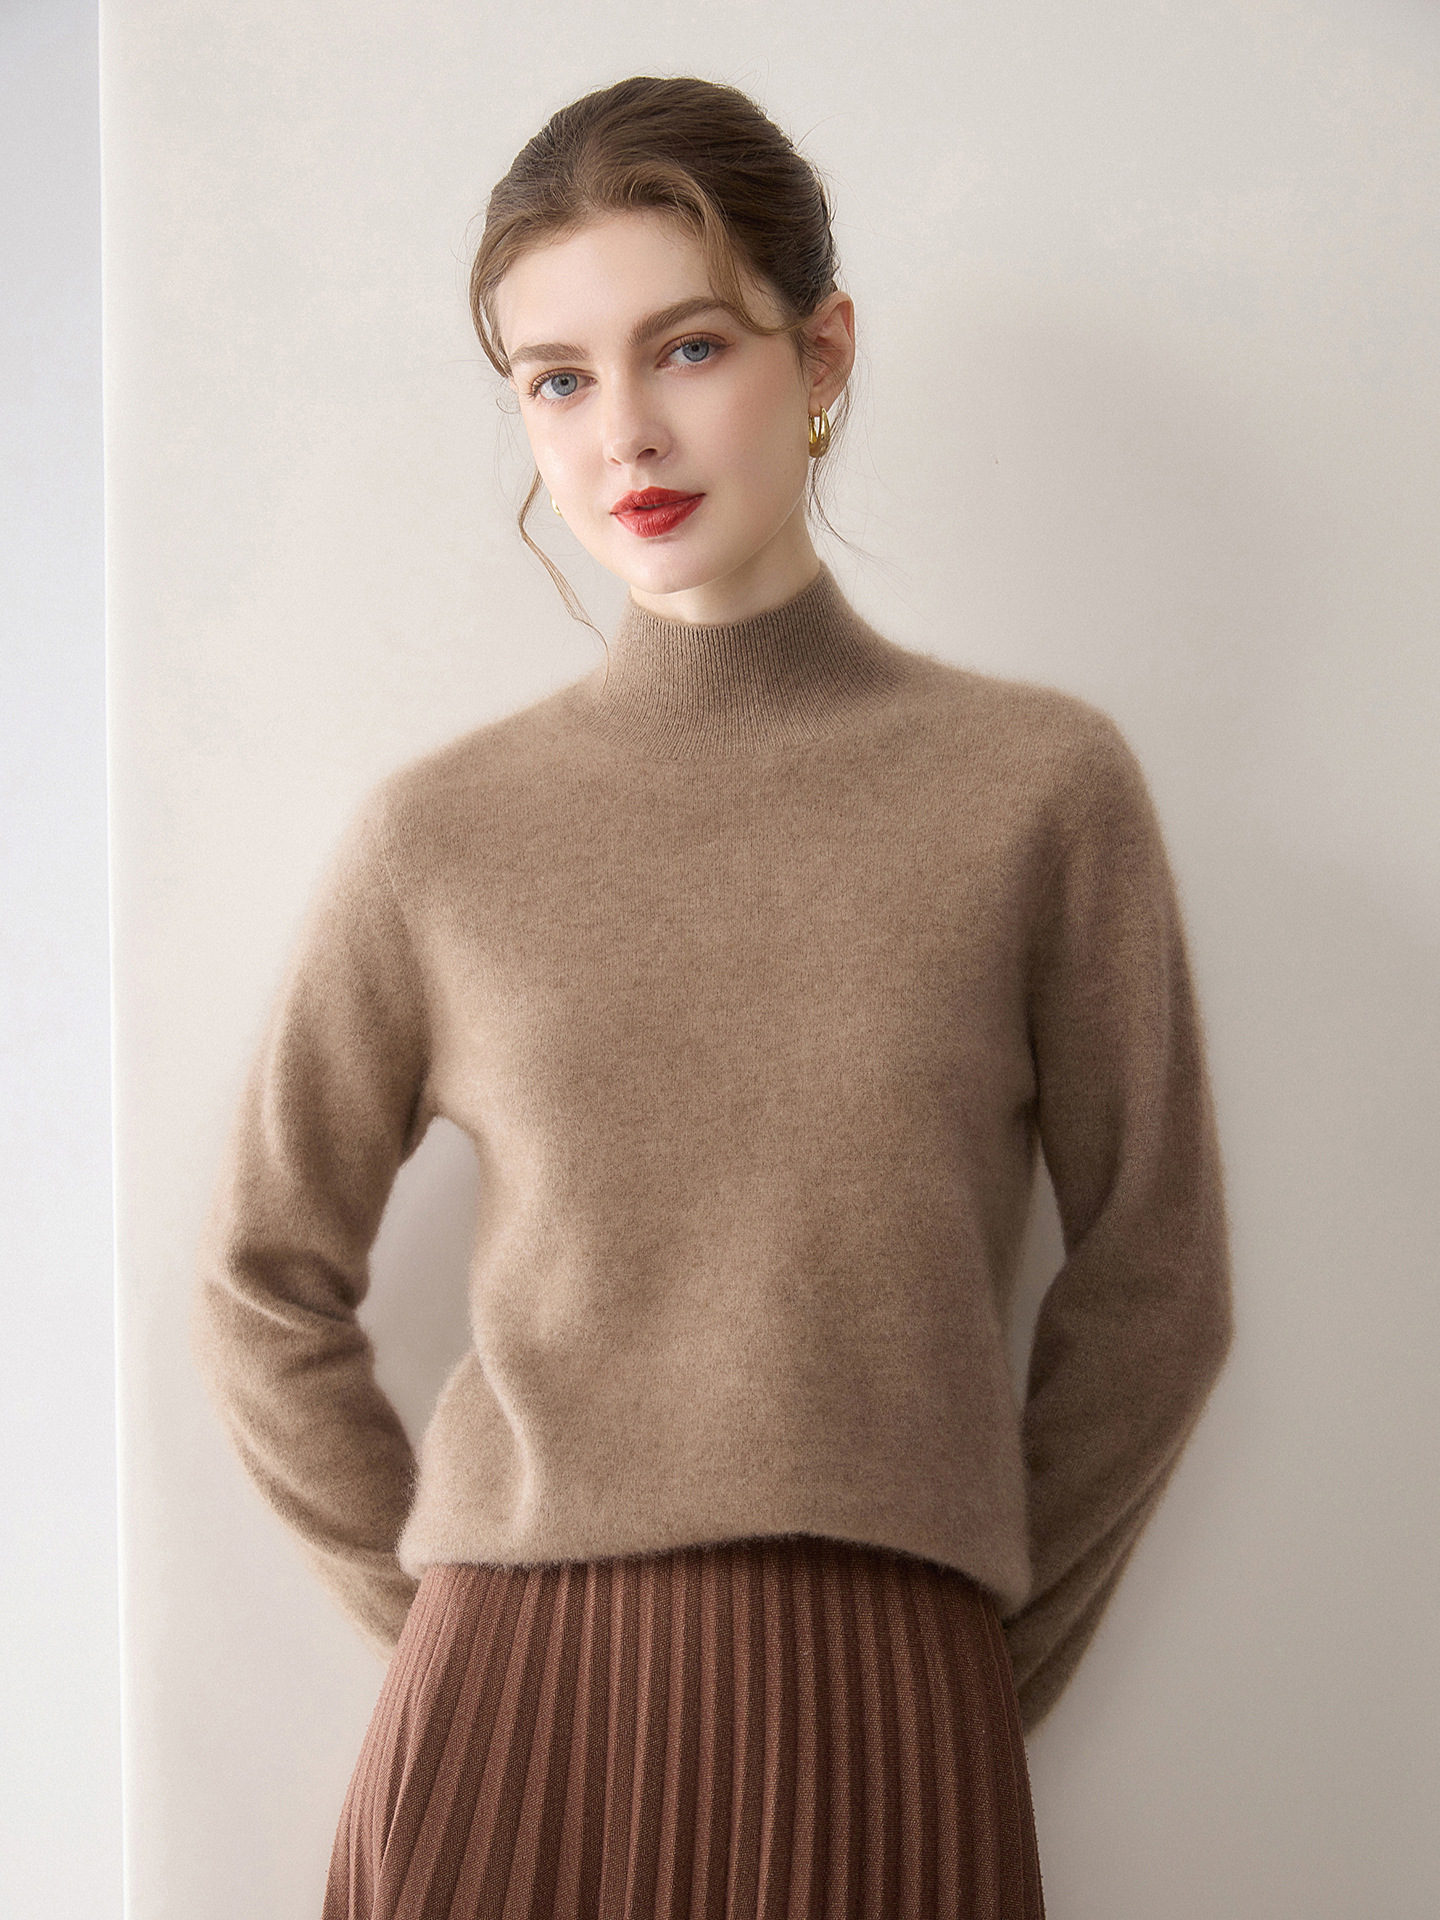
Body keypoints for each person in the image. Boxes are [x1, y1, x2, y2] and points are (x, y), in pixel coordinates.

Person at [191, 73, 1234, 1920]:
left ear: (820, 353)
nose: (626, 435)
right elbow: (259, 1281)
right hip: (511, 1712)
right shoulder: (441, 836)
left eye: (687, 347)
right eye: (558, 379)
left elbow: (1159, 1285)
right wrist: (446, 1619)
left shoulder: (1035, 793)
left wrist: (965, 1644)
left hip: (886, 1706)